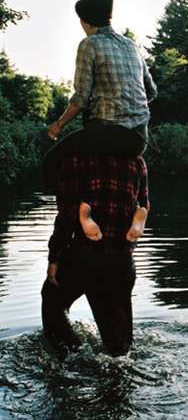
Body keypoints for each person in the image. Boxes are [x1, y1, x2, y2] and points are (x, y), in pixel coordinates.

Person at [42, 0, 156, 243]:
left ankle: (81, 213)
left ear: (84, 21)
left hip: (106, 134)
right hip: (138, 139)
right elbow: (152, 91)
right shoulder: (132, 45)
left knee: (50, 162)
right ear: (109, 16)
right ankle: (140, 211)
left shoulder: (89, 44)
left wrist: (58, 125)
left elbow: (81, 97)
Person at [41, 152, 149, 359]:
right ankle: (139, 218)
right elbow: (144, 199)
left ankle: (72, 355)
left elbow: (65, 216)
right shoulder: (136, 160)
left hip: (85, 257)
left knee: (53, 299)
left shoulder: (75, 158)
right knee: (119, 349)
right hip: (122, 259)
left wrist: (53, 259)